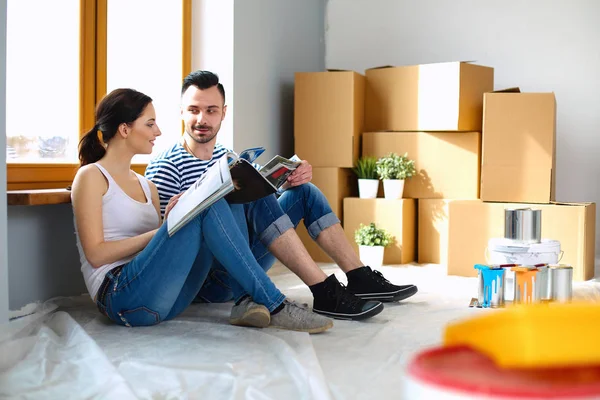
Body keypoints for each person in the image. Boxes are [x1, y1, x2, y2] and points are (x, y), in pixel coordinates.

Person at [145, 70, 418, 322]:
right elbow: (162, 248)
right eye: (193, 110)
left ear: (224, 113)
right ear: (181, 111)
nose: (201, 119)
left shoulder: (226, 156)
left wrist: (289, 177)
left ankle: (359, 277)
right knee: (228, 201)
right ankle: (323, 290)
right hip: (210, 279)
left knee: (303, 192)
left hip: (245, 255)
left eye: (211, 110)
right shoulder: (167, 165)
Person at [70, 87, 334, 333]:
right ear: (125, 129)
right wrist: (164, 229)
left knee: (220, 196)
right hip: (121, 297)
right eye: (150, 124)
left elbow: (161, 250)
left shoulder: (146, 186)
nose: (158, 131)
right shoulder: (91, 176)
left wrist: (179, 214)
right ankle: (273, 303)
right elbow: (96, 254)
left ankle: (250, 297)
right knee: (207, 203)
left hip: (166, 300)